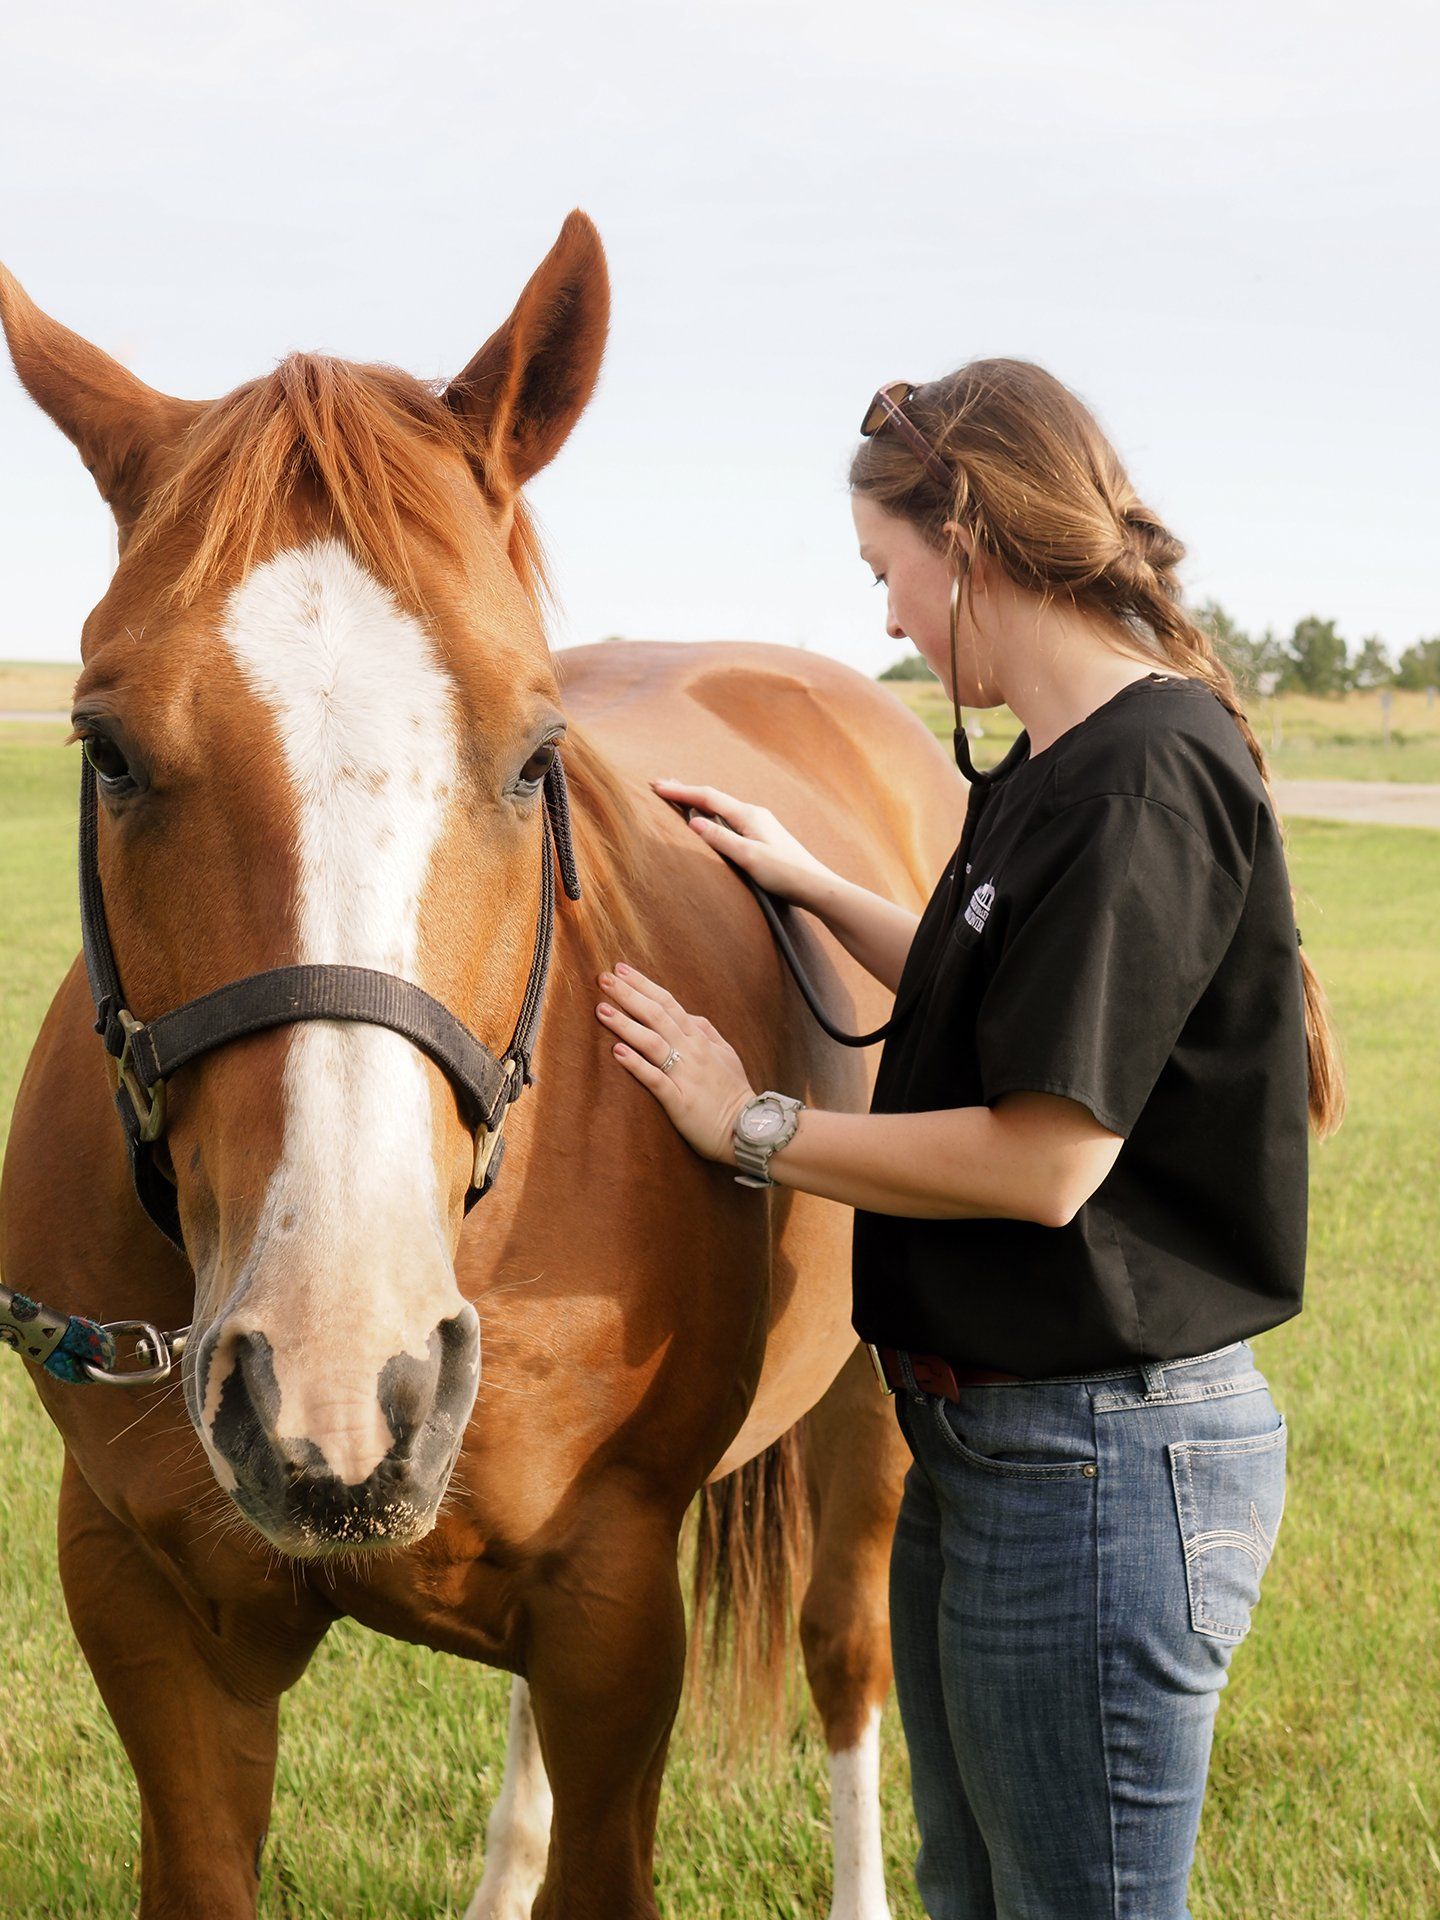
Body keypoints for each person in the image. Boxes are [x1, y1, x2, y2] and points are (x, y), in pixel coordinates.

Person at [589, 359, 1344, 1918]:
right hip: (1004, 1447)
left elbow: (1042, 1161)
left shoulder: (1141, 782)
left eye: (888, 571)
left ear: (974, 537)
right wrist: (805, 880)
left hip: (1099, 1468)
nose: (885, 620)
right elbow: (988, 964)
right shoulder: (1058, 771)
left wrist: (753, 1126)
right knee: (978, 1893)